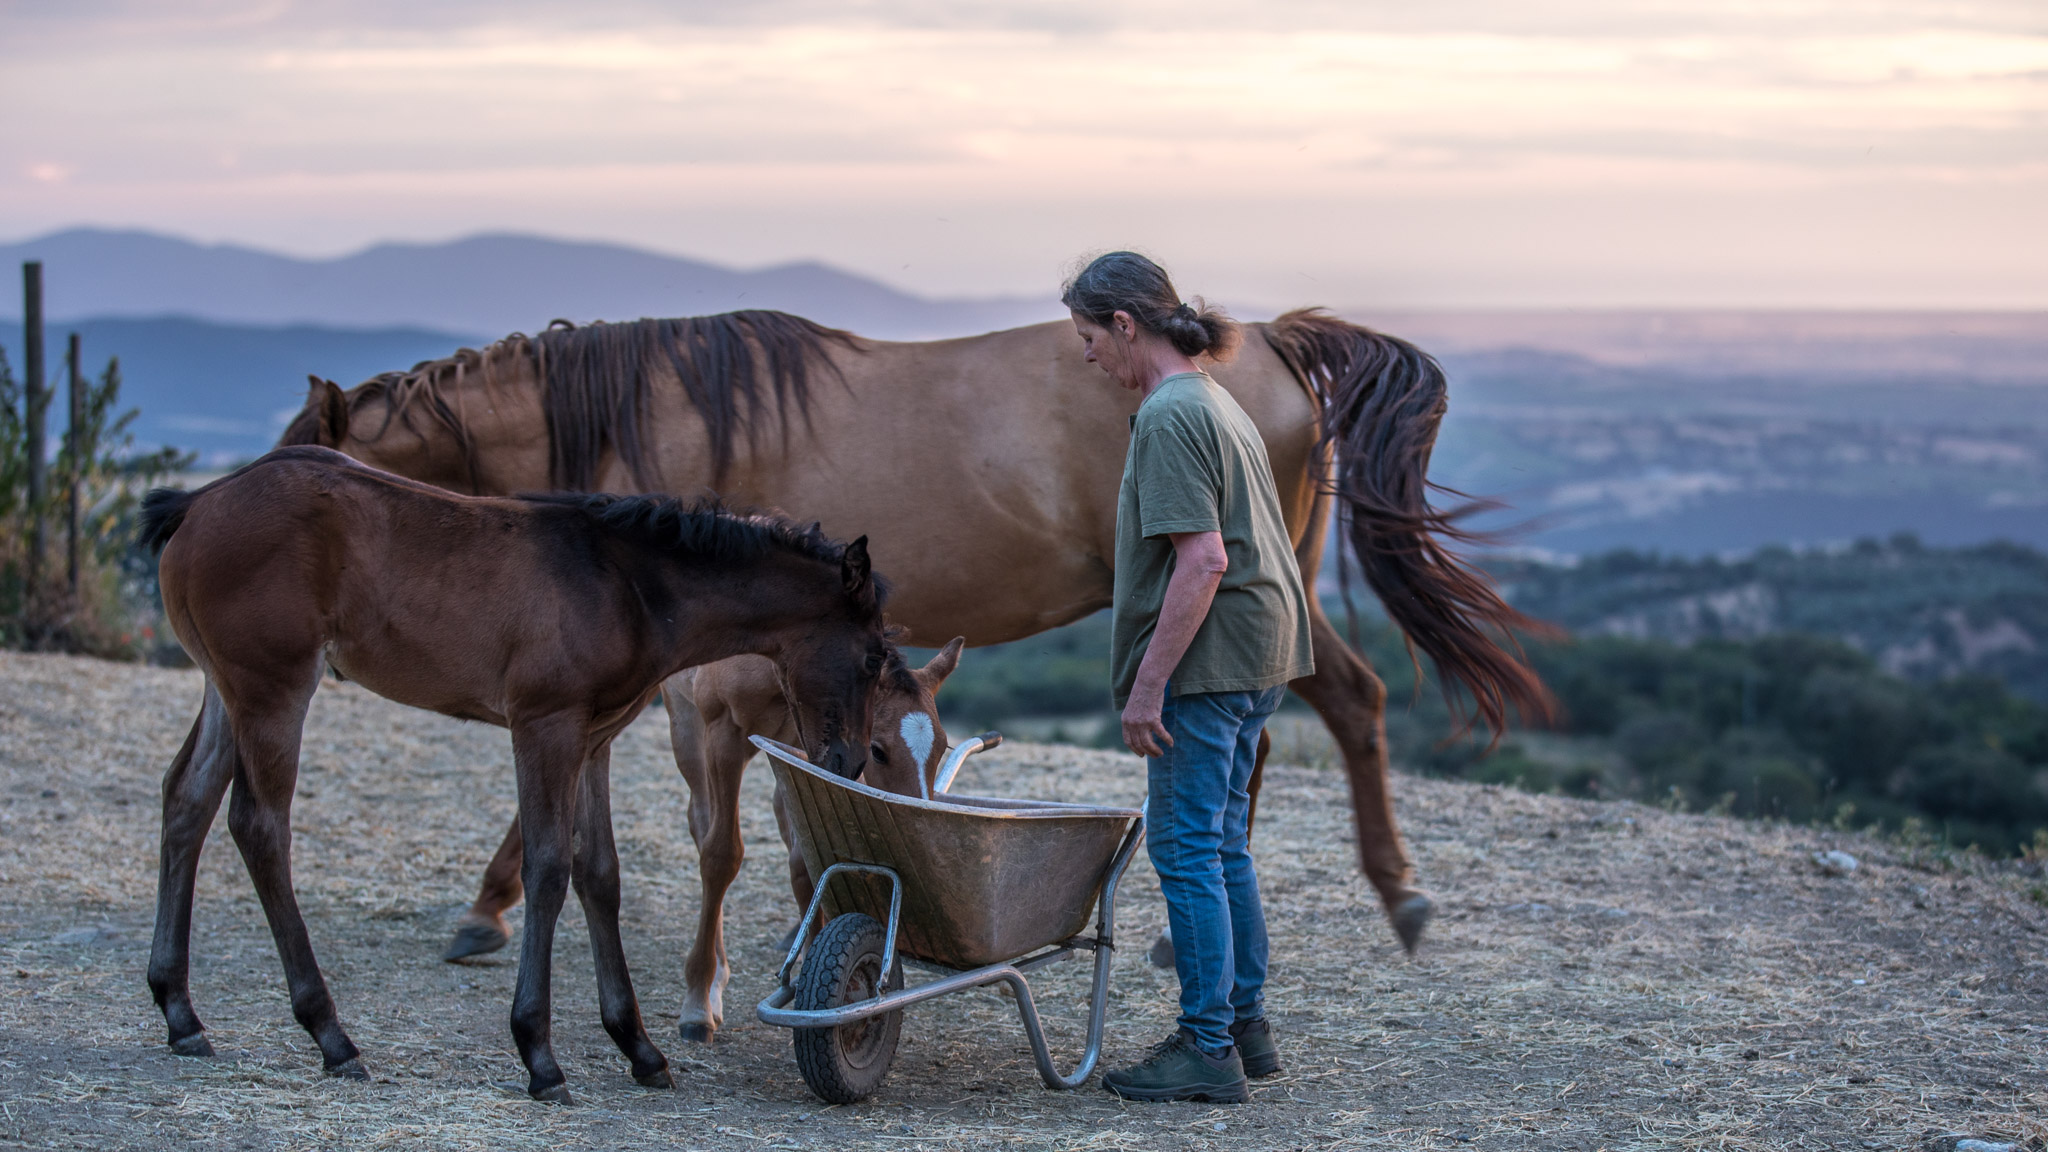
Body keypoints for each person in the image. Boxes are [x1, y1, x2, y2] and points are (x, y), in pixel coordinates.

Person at [1065, 251, 1314, 1103]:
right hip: (1258, 654)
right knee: (1222, 844)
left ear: (1124, 324)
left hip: (1208, 666)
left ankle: (1207, 1049)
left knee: (1184, 849)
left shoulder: (1170, 415)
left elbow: (1203, 561)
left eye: (1089, 335)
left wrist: (1148, 685)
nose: (1086, 354)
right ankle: (1245, 1027)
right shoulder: (1214, 397)